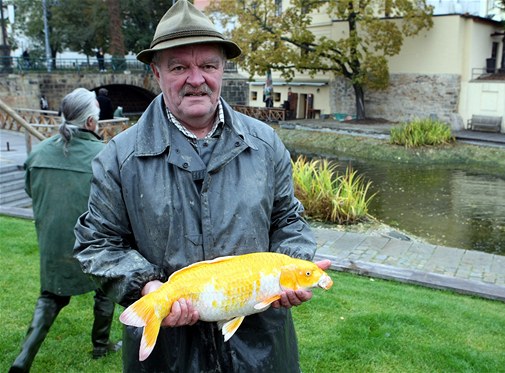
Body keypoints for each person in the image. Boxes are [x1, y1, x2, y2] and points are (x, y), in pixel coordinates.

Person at [73, 1, 330, 372]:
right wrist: (147, 290)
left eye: (208, 65)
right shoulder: (119, 157)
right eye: (179, 67)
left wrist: (290, 269)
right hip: (167, 355)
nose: (197, 79)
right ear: (156, 73)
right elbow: (96, 243)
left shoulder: (264, 143)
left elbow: (288, 219)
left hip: (261, 352)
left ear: (222, 68)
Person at [10, 88, 120, 373]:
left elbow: (30, 191)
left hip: (53, 245)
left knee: (49, 296)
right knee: (105, 288)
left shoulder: (38, 153)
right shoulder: (105, 155)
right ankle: (100, 344)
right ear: (91, 123)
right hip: (92, 244)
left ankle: (22, 360)